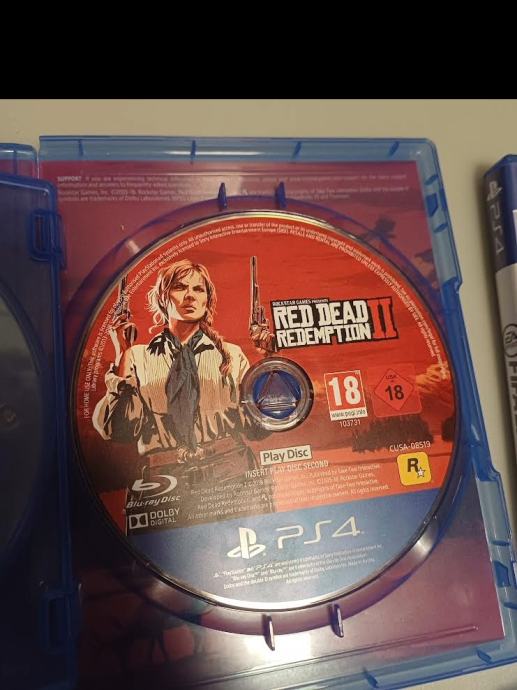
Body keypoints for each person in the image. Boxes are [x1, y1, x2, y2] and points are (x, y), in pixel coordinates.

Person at [92, 259, 272, 526]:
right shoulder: (137, 357)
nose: (190, 296)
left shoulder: (232, 355)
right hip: (163, 485)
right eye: (179, 287)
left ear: (207, 299)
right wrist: (123, 353)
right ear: (162, 298)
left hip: (234, 477)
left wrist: (268, 361)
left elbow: (258, 429)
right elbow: (119, 430)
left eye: (198, 289)